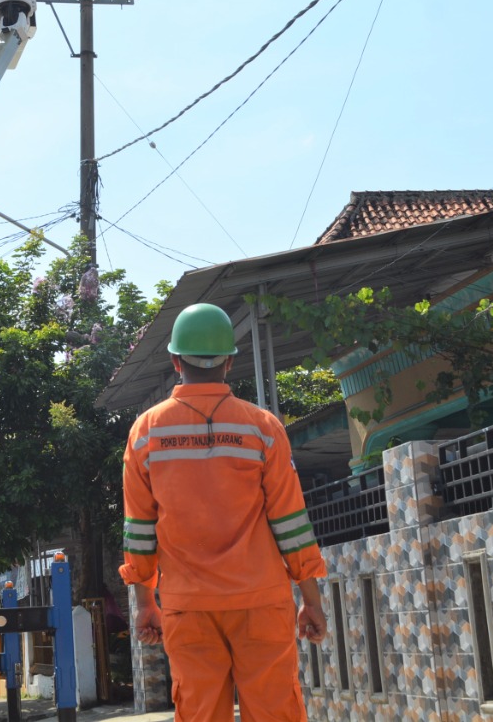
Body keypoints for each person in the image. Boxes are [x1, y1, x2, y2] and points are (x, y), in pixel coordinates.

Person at [119, 303, 328, 722]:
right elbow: (290, 523)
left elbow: (139, 530)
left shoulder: (146, 432)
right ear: (230, 363)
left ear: (176, 361)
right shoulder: (263, 428)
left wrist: (145, 602)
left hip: (188, 606)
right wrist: (311, 599)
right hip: (263, 603)